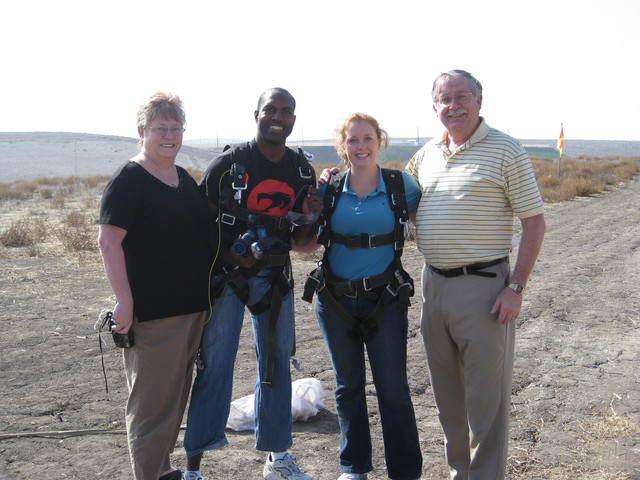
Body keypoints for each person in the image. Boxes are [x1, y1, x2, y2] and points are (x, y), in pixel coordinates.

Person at [405, 70, 546, 479]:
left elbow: (534, 223)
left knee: (486, 403)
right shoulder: (427, 153)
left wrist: (515, 287)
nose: (454, 106)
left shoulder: (506, 150)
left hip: (484, 289)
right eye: (445, 99)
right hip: (434, 287)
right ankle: (459, 473)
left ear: (480, 101)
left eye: (462, 96)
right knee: (448, 399)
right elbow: (398, 196)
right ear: (435, 108)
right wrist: (335, 178)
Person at [183, 88, 322, 480]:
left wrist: (310, 215)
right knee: (214, 364)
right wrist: (228, 258)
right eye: (271, 110)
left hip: (275, 278)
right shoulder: (228, 164)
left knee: (276, 366)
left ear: (294, 119)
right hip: (226, 278)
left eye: (286, 111)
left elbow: (299, 239)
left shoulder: (299, 170)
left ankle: (278, 458)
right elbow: (199, 225)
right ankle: (194, 465)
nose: (278, 117)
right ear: (256, 114)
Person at [98, 92, 214, 480]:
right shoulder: (130, 179)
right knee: (150, 403)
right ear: (141, 132)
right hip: (153, 313)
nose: (169, 136)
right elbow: (108, 241)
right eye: (160, 129)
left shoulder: (182, 178)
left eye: (175, 128)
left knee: (173, 398)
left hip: (191, 308)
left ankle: (163, 469)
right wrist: (124, 302)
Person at [303, 113, 423, 480]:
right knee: (347, 387)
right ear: (343, 146)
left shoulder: (403, 186)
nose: (361, 146)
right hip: (335, 301)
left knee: (394, 390)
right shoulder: (329, 189)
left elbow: (434, 225)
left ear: (379, 142)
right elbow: (306, 245)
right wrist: (308, 208)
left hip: (384, 301)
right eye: (353, 140)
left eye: (368, 138)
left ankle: (404, 472)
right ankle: (354, 467)